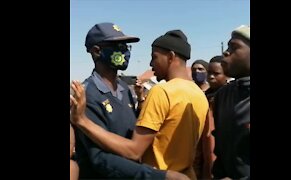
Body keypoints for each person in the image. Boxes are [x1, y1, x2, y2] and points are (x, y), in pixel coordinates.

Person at [70, 29, 209, 180]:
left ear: (170, 57)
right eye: (118, 46)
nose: (124, 52)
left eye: (125, 47)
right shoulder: (86, 94)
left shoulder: (130, 89)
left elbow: (134, 146)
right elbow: (99, 157)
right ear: (97, 51)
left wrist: (82, 121)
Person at [211, 25, 250, 179]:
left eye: (234, 47)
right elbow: (221, 151)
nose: (226, 52)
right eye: (227, 46)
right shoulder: (223, 96)